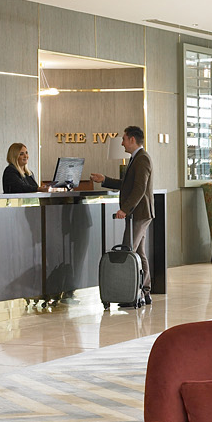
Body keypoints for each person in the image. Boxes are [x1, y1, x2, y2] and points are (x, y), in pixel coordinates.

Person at [90, 125, 154, 301]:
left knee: (128, 252)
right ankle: (144, 291)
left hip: (140, 213)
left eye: (124, 139)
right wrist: (104, 180)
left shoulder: (142, 159)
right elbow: (127, 184)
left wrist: (125, 209)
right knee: (139, 253)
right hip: (139, 213)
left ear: (132, 140)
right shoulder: (136, 158)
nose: (122, 143)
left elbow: (140, 188)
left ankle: (131, 294)